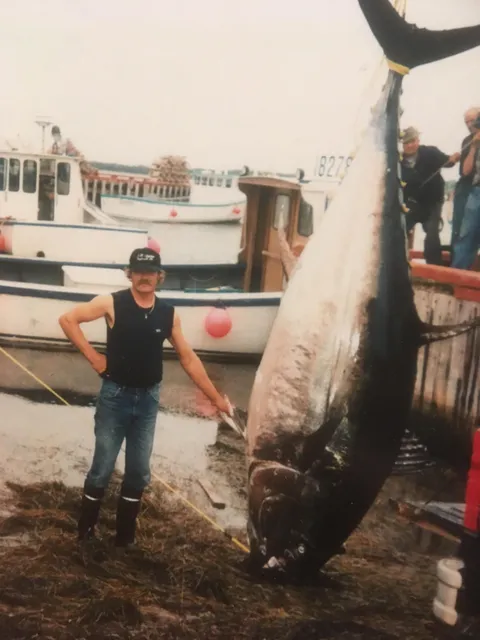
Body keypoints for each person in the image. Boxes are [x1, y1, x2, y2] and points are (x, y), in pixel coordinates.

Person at [58, 247, 233, 548]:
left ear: (159, 276)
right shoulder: (111, 303)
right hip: (115, 397)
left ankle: (124, 540)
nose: (144, 277)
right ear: (129, 273)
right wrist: (94, 358)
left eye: (150, 273)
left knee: (139, 472)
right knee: (102, 467)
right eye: (139, 271)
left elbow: (188, 358)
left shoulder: (168, 314)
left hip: (148, 401)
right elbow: (68, 320)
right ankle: (85, 535)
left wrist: (216, 398)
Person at [400, 126, 460, 265]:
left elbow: (448, 162)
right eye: (407, 142)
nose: (410, 145)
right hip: (411, 203)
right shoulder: (398, 160)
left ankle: (434, 267)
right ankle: (399, 263)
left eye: (413, 141)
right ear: (402, 145)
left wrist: (454, 158)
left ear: (418, 140)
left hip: (433, 202)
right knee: (399, 232)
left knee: (432, 235)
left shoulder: (430, 152)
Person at [451, 117, 480, 270]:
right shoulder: (472, 142)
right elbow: (465, 171)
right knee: (466, 235)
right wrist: (474, 147)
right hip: (476, 192)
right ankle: (456, 277)